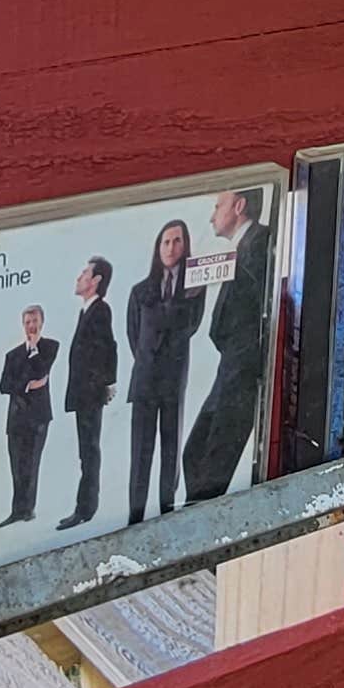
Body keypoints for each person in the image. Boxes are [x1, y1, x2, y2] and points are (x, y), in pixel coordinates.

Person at [181, 186, 272, 501]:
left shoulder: (260, 242)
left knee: (213, 457)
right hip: (229, 362)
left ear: (239, 206)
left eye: (218, 205)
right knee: (195, 452)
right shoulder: (240, 247)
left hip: (243, 362)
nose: (211, 215)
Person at [124, 218, 202, 523]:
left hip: (173, 381)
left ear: (185, 246)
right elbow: (133, 335)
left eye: (177, 241)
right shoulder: (140, 291)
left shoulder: (193, 288)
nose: (171, 247)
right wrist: (148, 360)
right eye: (166, 242)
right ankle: (135, 517)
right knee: (141, 454)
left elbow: (190, 326)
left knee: (171, 451)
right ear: (158, 248)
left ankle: (167, 513)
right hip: (144, 382)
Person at [59, 256, 117, 528]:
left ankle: (85, 509)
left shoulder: (100, 310)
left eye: (84, 273)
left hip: (90, 395)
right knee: (87, 451)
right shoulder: (87, 311)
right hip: (85, 393)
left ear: (96, 281)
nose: (78, 277)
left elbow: (109, 348)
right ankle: (85, 507)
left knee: (89, 451)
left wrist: (107, 384)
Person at [0, 304, 59, 525]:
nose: (31, 326)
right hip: (16, 418)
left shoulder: (51, 347)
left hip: (38, 417)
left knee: (32, 464)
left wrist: (34, 350)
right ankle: (17, 510)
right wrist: (27, 385)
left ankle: (28, 510)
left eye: (34, 321)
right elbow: (4, 385)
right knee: (16, 467)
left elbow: (42, 372)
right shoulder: (12, 355)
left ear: (42, 322)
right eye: (27, 322)